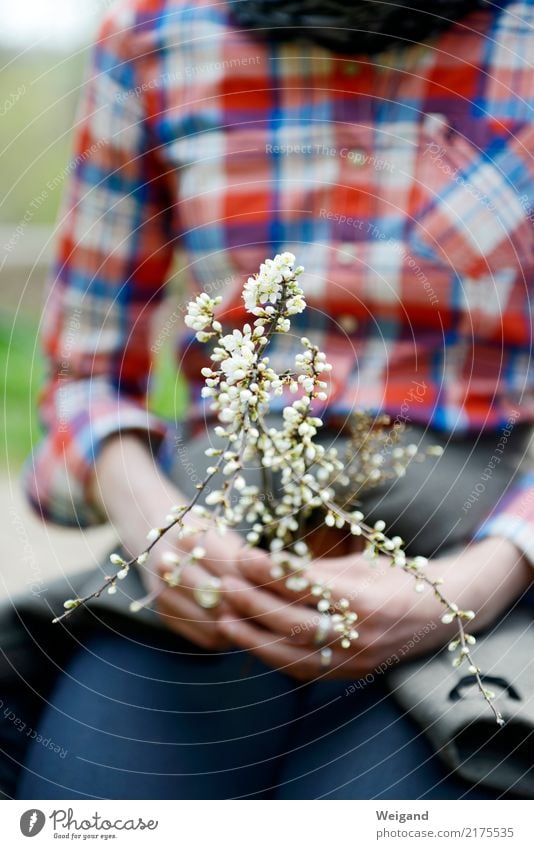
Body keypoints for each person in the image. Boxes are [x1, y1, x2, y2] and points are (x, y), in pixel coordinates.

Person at [10, 0, 534, 799]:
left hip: (482, 555)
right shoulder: (154, 39)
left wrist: (474, 585)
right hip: (208, 556)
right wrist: (154, 519)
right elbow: (84, 371)